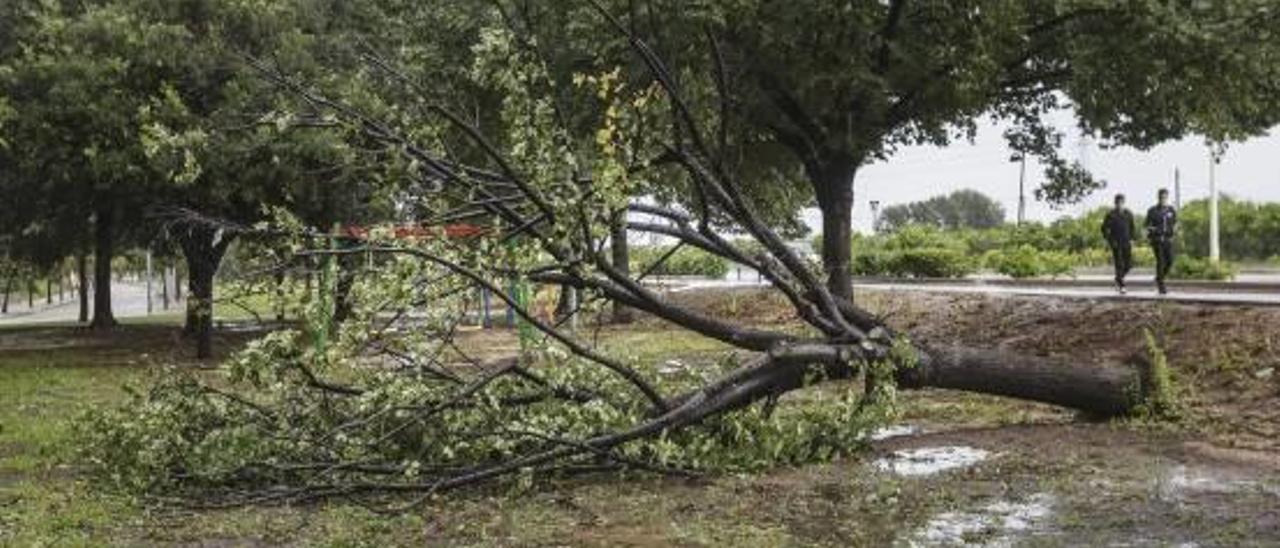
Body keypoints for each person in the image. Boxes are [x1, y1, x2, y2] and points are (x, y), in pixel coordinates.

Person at [1101, 193, 1136, 294]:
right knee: (1119, 264)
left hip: (1127, 242)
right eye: (1117, 202)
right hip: (1116, 243)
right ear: (1115, 203)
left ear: (1123, 202)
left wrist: (1132, 239)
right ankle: (1122, 285)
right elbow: (1104, 229)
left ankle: (1118, 278)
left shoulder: (1128, 213)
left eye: (1121, 202)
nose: (1119, 204)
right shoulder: (1110, 214)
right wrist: (1109, 240)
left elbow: (1132, 227)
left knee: (1129, 265)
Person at [1146, 188, 1178, 295]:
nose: (1163, 199)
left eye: (1165, 197)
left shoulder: (1171, 210)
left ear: (1167, 197)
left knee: (1170, 261)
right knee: (1160, 262)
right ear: (1158, 197)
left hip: (1168, 240)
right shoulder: (1152, 211)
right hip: (1157, 240)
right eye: (1161, 197)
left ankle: (1159, 278)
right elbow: (1147, 225)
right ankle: (1161, 287)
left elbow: (1175, 223)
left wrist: (1175, 231)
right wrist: (1152, 229)